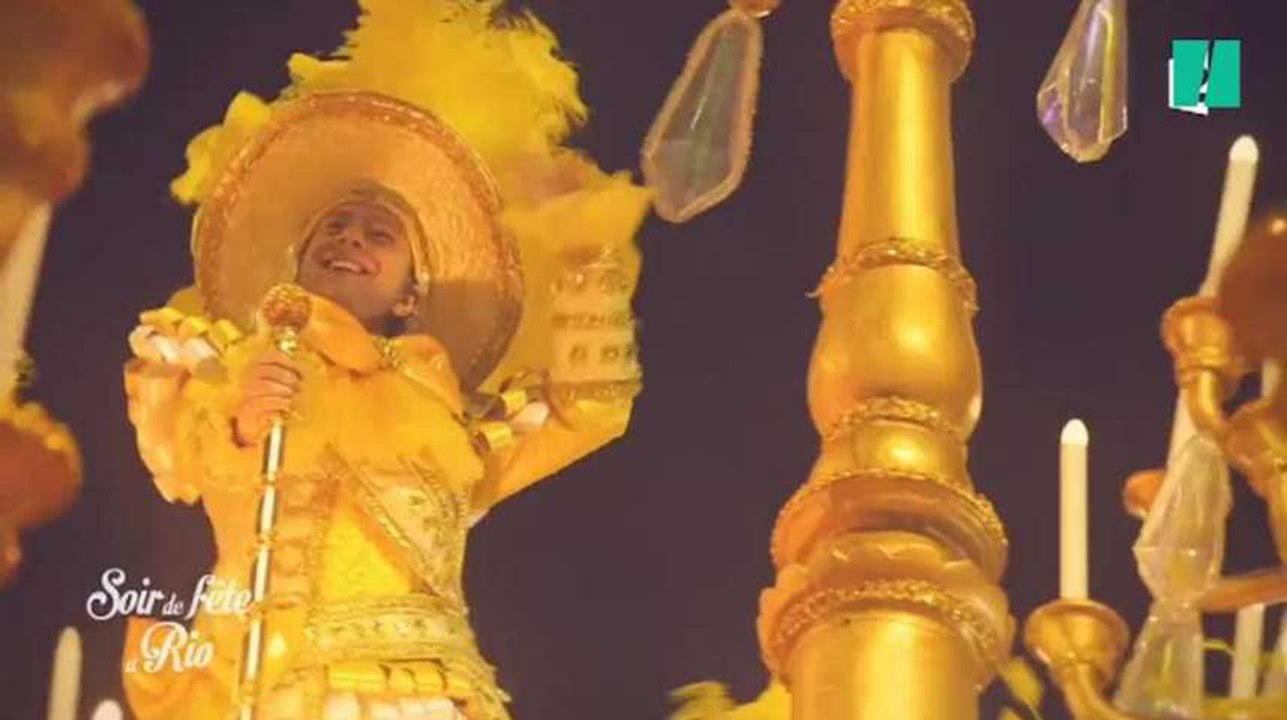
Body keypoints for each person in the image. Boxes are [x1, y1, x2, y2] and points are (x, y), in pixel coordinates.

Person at [120, 4, 650, 718]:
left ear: (411, 295)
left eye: (378, 233)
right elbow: (179, 467)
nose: (348, 238)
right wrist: (245, 424)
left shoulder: (454, 426)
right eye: (331, 227)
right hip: (257, 684)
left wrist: (588, 255)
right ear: (297, 262)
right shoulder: (223, 366)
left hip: (422, 697)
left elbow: (589, 409)